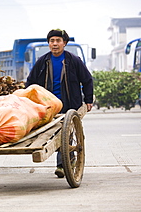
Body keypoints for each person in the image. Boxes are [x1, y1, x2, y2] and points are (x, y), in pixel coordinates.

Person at [25, 29, 93, 178]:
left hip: (69, 104)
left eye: (58, 41)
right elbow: (31, 82)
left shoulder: (74, 60)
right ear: (48, 43)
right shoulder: (43, 61)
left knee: (65, 133)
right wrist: (25, 99)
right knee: (50, 133)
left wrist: (88, 100)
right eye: (52, 41)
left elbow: (87, 80)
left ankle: (62, 165)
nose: (54, 44)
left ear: (64, 43)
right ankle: (68, 159)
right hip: (48, 106)